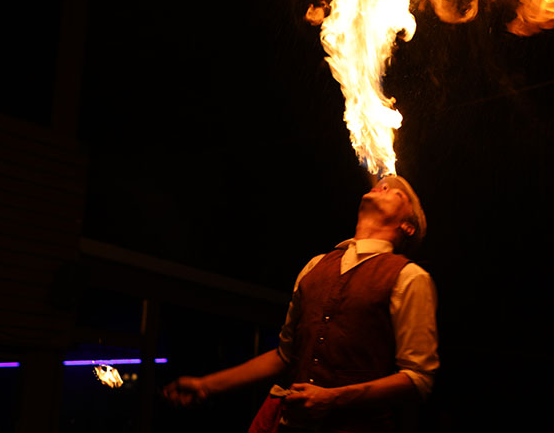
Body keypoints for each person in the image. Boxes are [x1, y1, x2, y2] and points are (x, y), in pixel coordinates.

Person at [162, 175, 439, 433]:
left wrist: (333, 398)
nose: (384, 185)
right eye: (382, 184)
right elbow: (285, 356)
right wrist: (205, 386)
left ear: (407, 226)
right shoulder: (315, 266)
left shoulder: (409, 277)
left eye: (398, 192)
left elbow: (418, 378)